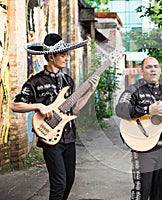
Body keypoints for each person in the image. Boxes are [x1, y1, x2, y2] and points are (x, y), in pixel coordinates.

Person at [11, 33, 99, 200]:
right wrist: (38, 106)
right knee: (59, 183)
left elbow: (75, 109)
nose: (67, 59)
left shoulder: (68, 81)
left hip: (69, 138)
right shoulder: (35, 81)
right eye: (63, 55)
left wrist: (90, 92)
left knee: (69, 181)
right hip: (50, 139)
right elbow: (15, 105)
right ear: (51, 56)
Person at [115, 57, 162, 200]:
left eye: (156, 66)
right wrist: (148, 109)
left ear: (160, 70)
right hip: (142, 148)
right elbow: (120, 109)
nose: (153, 69)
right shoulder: (133, 90)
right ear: (142, 71)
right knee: (142, 191)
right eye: (149, 67)